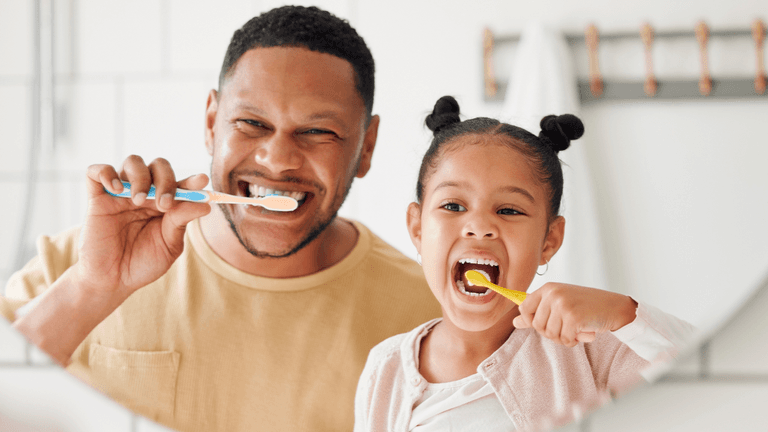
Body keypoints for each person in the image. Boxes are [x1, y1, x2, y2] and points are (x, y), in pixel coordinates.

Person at [0, 6, 441, 432]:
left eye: (317, 132)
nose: (278, 160)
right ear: (213, 122)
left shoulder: (427, 320)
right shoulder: (73, 268)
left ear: (366, 146)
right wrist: (91, 291)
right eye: (251, 123)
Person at [353, 96, 695, 432]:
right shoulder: (386, 369)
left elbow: (713, 380)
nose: (480, 226)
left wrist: (622, 312)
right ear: (418, 228)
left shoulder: (592, 352)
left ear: (549, 241)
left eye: (509, 210)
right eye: (454, 206)